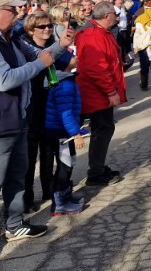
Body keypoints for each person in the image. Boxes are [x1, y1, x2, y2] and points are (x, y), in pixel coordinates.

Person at [0, 0, 73, 261]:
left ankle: (14, 226)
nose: (18, 15)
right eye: (13, 10)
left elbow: (39, 55)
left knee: (17, 177)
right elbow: (5, 80)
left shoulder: (10, 37)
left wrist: (61, 45)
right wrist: (40, 63)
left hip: (17, 120)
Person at [20, 12, 76, 214]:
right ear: (30, 29)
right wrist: (60, 49)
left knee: (48, 151)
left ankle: (48, 190)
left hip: (50, 105)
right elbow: (40, 60)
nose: (47, 29)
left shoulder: (54, 41)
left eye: (49, 26)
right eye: (42, 26)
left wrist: (67, 51)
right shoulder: (24, 46)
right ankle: (26, 199)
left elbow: (72, 62)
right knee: (28, 156)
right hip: (31, 106)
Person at [75, 1, 127, 187]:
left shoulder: (101, 32)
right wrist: (111, 91)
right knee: (102, 129)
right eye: (114, 13)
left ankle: (97, 168)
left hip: (99, 91)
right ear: (106, 16)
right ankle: (95, 173)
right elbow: (96, 68)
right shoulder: (92, 35)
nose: (117, 16)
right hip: (96, 92)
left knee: (103, 129)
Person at [44, 68, 87, 216]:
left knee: (68, 164)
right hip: (61, 133)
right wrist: (76, 134)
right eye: (71, 56)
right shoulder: (64, 85)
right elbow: (65, 113)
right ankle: (60, 203)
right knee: (65, 166)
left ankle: (65, 196)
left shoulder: (64, 81)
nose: (76, 56)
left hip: (62, 131)